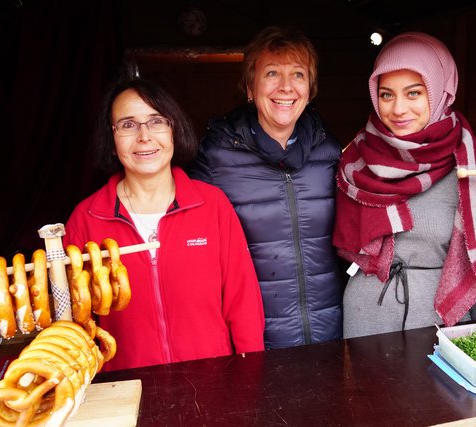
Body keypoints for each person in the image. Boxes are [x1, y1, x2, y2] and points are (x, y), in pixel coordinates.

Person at [64, 78, 265, 370]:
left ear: (174, 131)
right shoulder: (87, 218)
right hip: (124, 388)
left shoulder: (212, 205)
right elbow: (74, 324)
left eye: (156, 121)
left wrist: (250, 376)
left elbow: (243, 302)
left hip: (213, 383)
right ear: (111, 140)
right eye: (128, 125)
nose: (144, 136)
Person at [333, 32, 476, 338]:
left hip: (439, 320)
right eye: (386, 95)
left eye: (413, 93)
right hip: (365, 314)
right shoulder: (355, 161)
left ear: (442, 91)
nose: (398, 109)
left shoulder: (470, 168)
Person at [188, 26, 343, 349]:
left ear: (310, 89)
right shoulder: (216, 158)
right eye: (272, 73)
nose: (286, 86)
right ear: (250, 87)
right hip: (254, 341)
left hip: (329, 335)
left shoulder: (329, 152)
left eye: (298, 74)